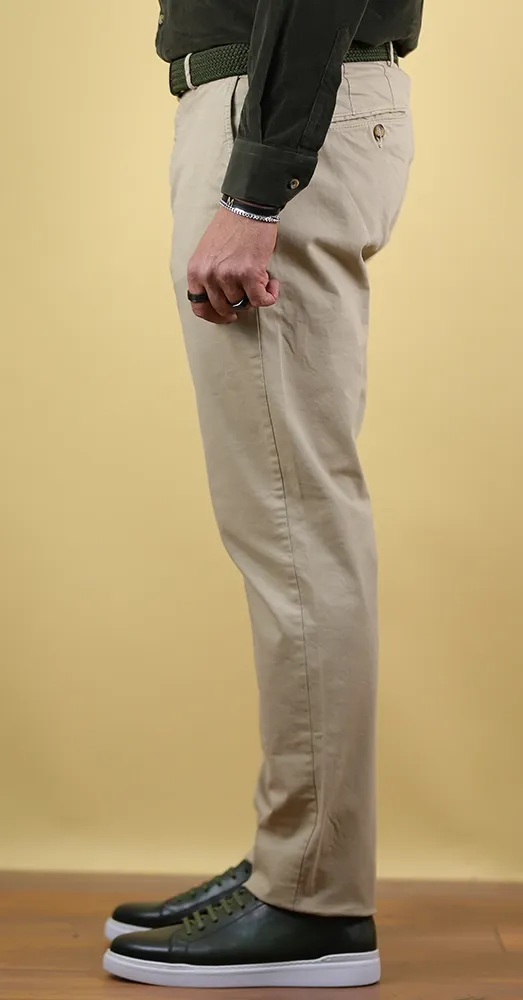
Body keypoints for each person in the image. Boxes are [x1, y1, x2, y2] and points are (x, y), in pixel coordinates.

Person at [103, 0, 424, 989]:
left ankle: (314, 902)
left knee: (294, 526)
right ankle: (291, 863)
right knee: (289, 520)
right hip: (277, 108)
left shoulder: (266, 155)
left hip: (278, 117)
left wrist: (252, 191)